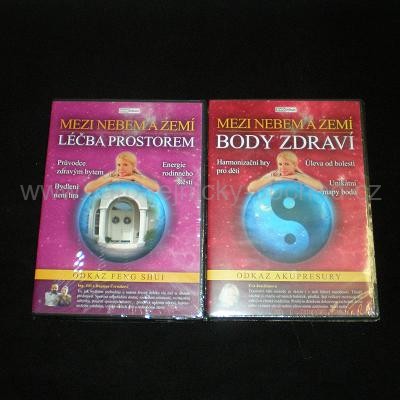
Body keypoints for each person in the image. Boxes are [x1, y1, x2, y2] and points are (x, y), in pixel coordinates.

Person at [247, 151, 323, 192]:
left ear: (294, 165)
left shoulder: (299, 175)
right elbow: (251, 188)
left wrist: (297, 177)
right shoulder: (274, 174)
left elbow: (319, 187)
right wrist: (272, 178)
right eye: (280, 164)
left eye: (286, 164)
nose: (282, 167)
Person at [84, 151, 160, 193]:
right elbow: (88, 189)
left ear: (133, 167)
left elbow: (155, 188)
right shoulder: (112, 174)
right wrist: (110, 179)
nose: (121, 168)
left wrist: (134, 177)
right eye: (119, 165)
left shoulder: (136, 175)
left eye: (125, 165)